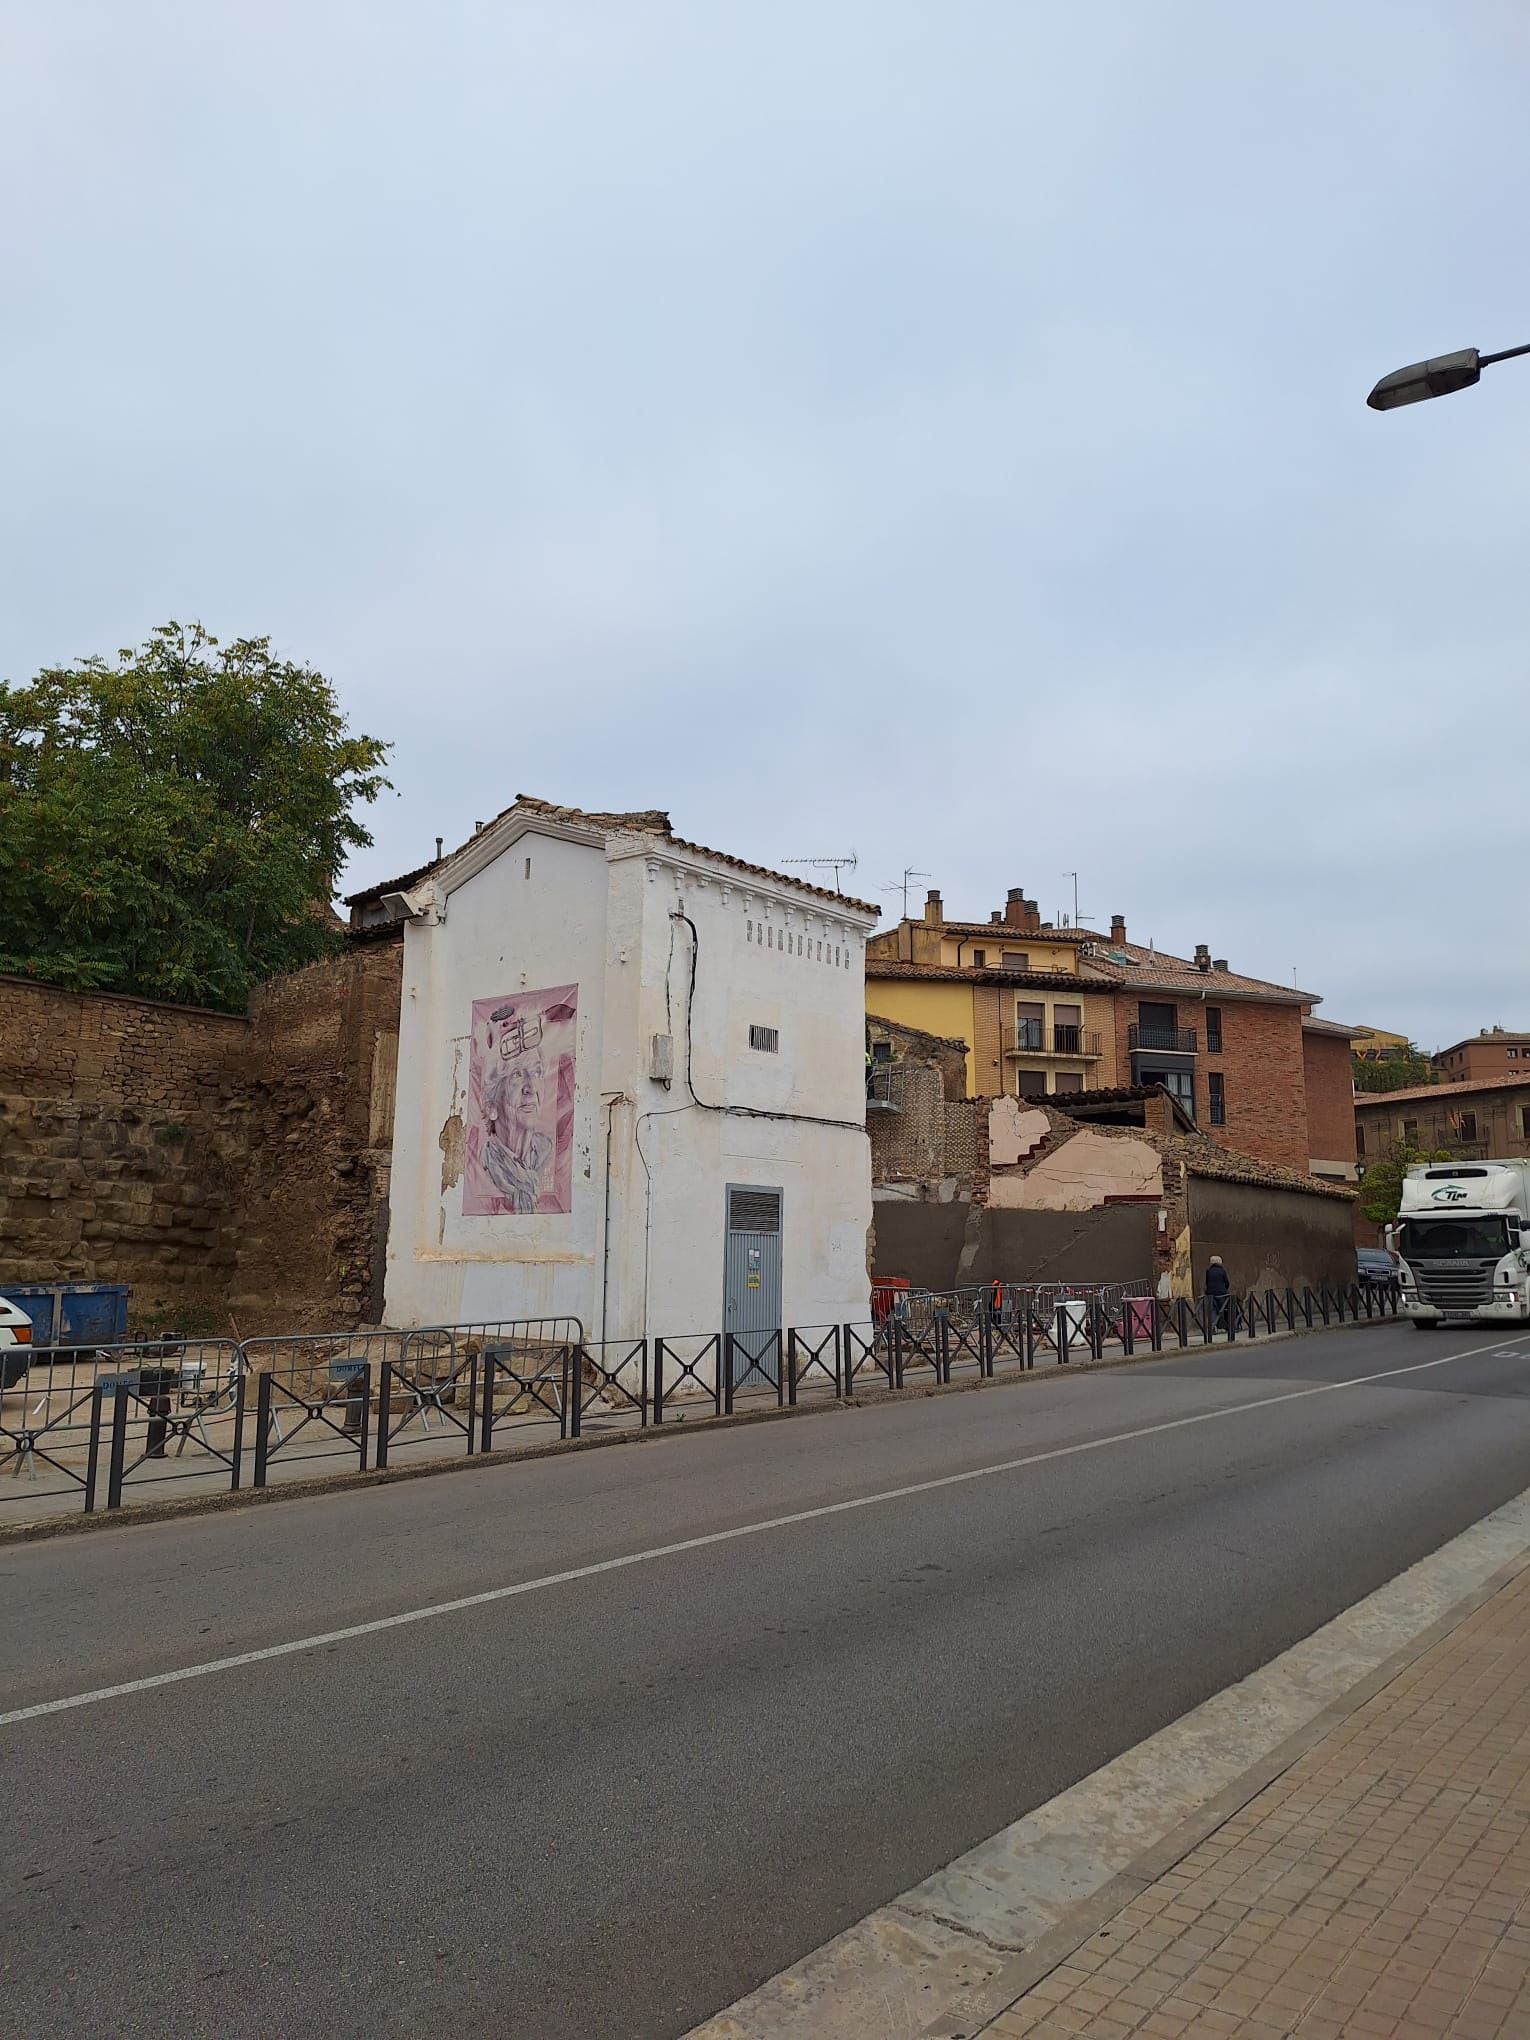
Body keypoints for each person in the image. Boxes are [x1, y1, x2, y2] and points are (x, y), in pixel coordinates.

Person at [1204, 1254, 1232, 1328]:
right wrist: (1225, 1289)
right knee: (1221, 1309)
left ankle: (1213, 1326)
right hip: (1221, 1293)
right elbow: (1227, 1282)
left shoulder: (1208, 1271)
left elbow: (1207, 1282)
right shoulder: (1222, 1271)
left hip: (1210, 1294)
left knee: (1212, 1309)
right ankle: (1222, 1326)